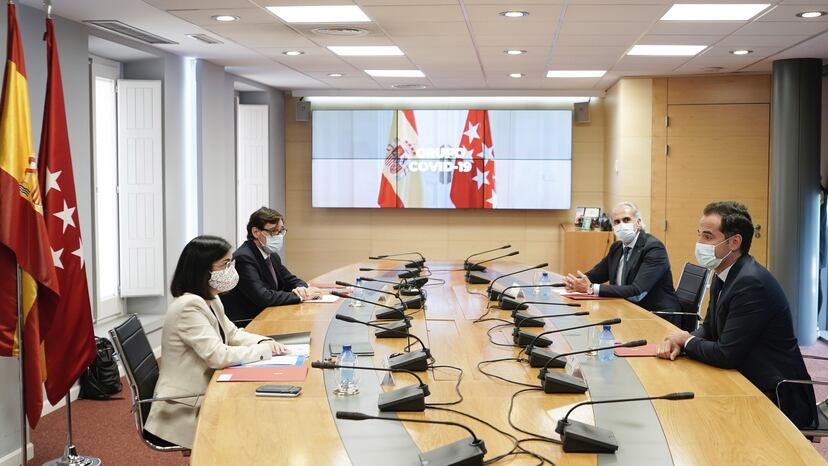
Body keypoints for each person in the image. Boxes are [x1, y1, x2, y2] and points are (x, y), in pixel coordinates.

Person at [656, 202, 817, 428]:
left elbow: (725, 354)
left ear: (734, 242)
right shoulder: (723, 273)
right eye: (699, 234)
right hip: (745, 374)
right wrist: (682, 339)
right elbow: (710, 328)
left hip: (776, 393)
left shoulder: (750, 283)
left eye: (708, 237)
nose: (699, 243)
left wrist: (686, 340)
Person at [144, 235, 288, 449]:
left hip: (206, 392)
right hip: (183, 408)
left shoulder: (211, 298)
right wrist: (264, 351)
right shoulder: (188, 306)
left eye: (231, 263)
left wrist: (263, 341)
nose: (231, 270)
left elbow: (233, 334)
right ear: (202, 270)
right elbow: (218, 356)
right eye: (225, 264)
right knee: (256, 427)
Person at [564, 201, 683, 326]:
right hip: (628, 311)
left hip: (658, 317)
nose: (621, 225)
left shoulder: (654, 248)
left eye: (626, 220)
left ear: (638, 223)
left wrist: (591, 288)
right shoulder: (617, 248)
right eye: (617, 222)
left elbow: (637, 292)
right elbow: (596, 275)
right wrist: (574, 282)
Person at [223, 207, 320, 324]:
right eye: (274, 231)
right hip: (249, 321)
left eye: (281, 231)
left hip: (267, 315)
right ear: (256, 232)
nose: (279, 236)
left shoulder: (272, 255)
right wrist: (299, 297)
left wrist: (302, 290)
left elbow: (291, 280)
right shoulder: (244, 258)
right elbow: (262, 297)